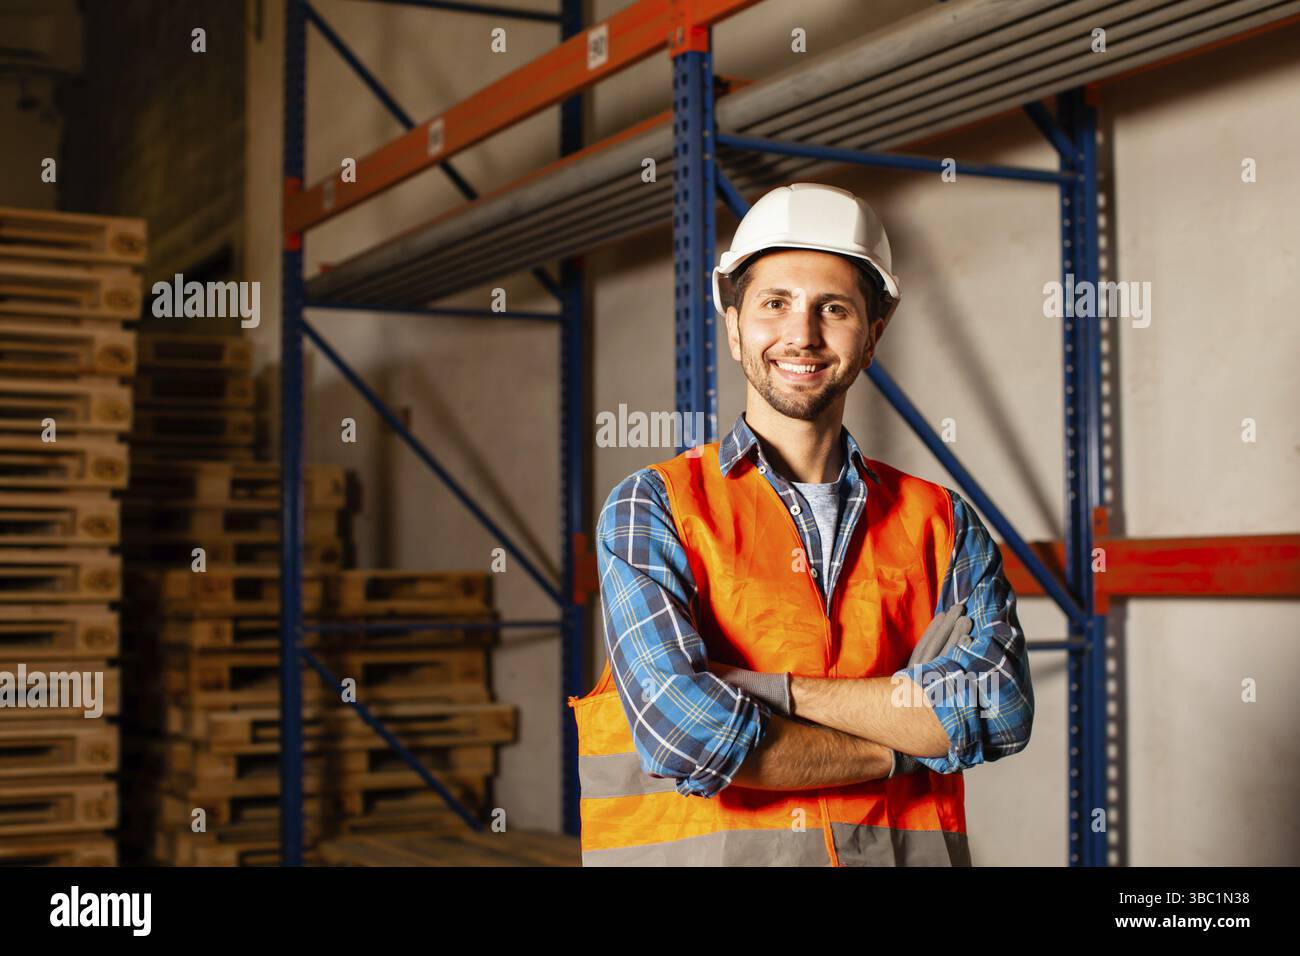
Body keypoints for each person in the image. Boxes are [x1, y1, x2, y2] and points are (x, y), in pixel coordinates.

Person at [571, 182, 1034, 866]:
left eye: (834, 308)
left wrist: (767, 693)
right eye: (775, 304)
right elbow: (687, 736)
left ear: (873, 335)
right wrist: (904, 743)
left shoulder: (942, 522)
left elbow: (998, 708)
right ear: (734, 329)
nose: (802, 334)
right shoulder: (654, 508)